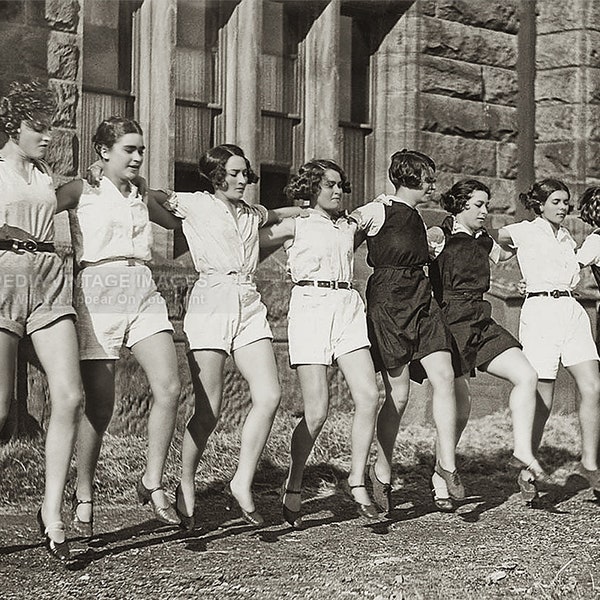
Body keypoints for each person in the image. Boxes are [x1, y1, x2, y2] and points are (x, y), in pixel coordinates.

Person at [155, 144, 302, 528]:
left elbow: (278, 213)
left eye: (245, 174)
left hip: (249, 302)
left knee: (270, 396)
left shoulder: (252, 213)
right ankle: (185, 481)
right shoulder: (196, 203)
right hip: (211, 300)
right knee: (210, 410)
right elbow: (154, 197)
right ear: (217, 174)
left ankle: (241, 480)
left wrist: (307, 212)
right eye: (234, 173)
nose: (242, 180)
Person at [55, 117, 182, 535]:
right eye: (129, 149)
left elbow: (182, 220)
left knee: (169, 387)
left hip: (142, 288)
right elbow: (38, 204)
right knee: (100, 406)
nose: (138, 156)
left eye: (141, 149)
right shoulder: (82, 188)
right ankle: (85, 491)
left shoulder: (142, 193)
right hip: (98, 291)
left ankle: (151, 481)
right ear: (103, 151)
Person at [259, 159, 380, 526]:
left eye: (341, 184)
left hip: (347, 307)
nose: (338, 190)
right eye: (329, 184)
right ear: (313, 188)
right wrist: (298, 207)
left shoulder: (348, 225)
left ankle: (357, 479)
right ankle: (294, 479)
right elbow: (252, 239)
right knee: (317, 412)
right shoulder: (295, 225)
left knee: (369, 396)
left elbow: (379, 210)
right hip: (310, 308)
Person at [348, 149, 463, 513]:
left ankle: (447, 464)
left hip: (422, 296)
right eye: (429, 179)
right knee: (397, 395)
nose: (433, 186)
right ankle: (381, 469)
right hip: (389, 300)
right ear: (412, 179)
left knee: (443, 376)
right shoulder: (376, 210)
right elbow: (341, 239)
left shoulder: (417, 216)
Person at [0, 80, 83, 561]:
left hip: (50, 280)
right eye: (39, 128)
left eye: (51, 127)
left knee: (70, 395)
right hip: (3, 278)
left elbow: (65, 199)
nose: (48, 136)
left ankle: (52, 516)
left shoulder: (45, 176)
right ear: (14, 126)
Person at [428, 179, 545, 507]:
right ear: (461, 205)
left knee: (526, 375)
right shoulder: (440, 236)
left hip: (480, 318)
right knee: (461, 408)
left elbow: (507, 255)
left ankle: (521, 452)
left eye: (487, 206)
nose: (485, 211)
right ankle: (441, 473)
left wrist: (528, 281)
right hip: (449, 321)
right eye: (478, 205)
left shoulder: (483, 240)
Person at [498, 179, 600, 499]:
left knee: (593, 386)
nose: (562, 206)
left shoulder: (569, 237)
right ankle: (528, 468)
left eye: (565, 201)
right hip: (540, 312)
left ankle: (590, 464)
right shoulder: (525, 230)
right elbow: (489, 240)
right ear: (539, 204)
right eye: (555, 201)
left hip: (571, 309)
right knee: (543, 400)